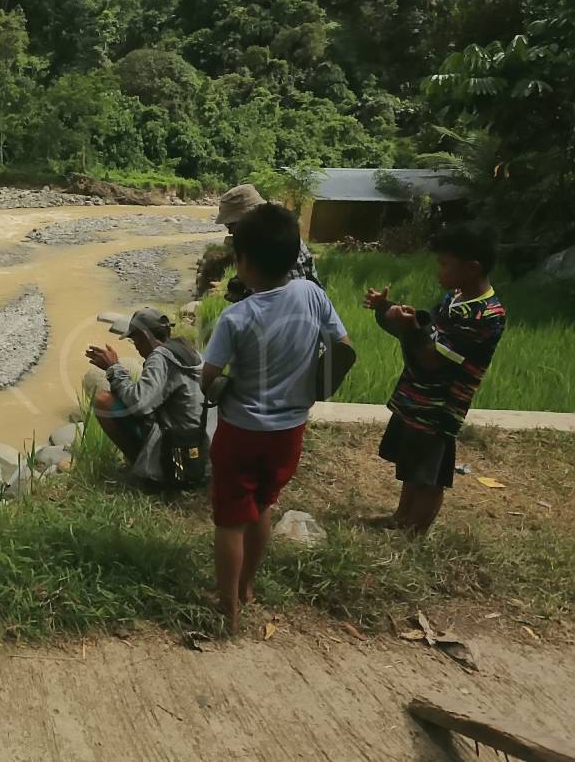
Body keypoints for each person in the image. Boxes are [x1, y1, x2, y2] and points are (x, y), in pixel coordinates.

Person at [200, 203, 351, 632]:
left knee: (230, 519)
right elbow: (343, 345)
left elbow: (208, 377)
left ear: (243, 261)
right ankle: (248, 586)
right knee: (262, 505)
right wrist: (313, 387)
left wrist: (215, 383)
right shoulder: (312, 294)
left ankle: (227, 607)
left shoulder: (236, 317)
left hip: (241, 430)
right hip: (290, 430)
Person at [363, 223, 506, 534]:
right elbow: (429, 333)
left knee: (429, 475)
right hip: (417, 399)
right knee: (411, 466)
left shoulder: (486, 315)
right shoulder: (454, 297)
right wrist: (386, 310)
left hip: (439, 408)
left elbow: (434, 358)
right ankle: (401, 518)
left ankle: (415, 532)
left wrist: (408, 327)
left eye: (444, 263)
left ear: (471, 268)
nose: (438, 269)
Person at [85, 308, 208, 490]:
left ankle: (147, 474)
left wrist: (113, 368)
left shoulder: (160, 358)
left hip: (175, 455)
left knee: (104, 401)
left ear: (143, 335)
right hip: (196, 448)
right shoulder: (188, 351)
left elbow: (139, 405)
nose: (134, 345)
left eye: (134, 339)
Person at [215, 184, 319, 302]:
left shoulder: (280, 244)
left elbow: (291, 298)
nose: (229, 230)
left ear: (249, 219)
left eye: (231, 224)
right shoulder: (263, 242)